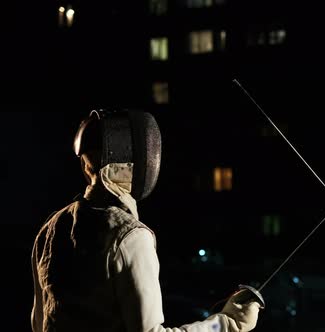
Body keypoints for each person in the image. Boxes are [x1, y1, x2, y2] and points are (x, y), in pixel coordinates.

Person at [31, 110, 262, 332]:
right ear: (136, 161)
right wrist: (228, 324)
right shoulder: (129, 236)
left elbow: (39, 324)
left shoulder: (52, 227)